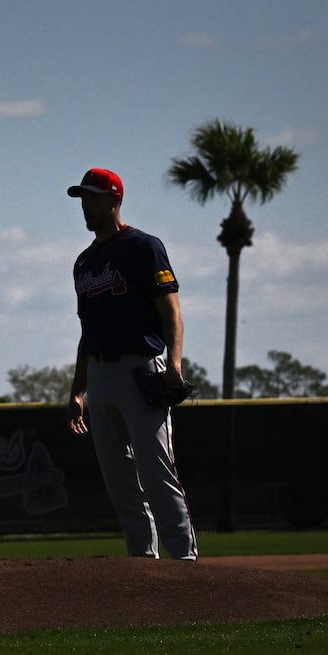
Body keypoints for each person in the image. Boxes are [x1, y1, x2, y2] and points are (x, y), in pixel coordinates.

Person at [65, 167, 197, 561]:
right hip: (101, 376)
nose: (86, 206)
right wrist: (77, 390)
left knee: (157, 473)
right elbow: (87, 332)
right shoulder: (84, 263)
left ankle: (184, 561)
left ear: (114, 199)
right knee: (119, 480)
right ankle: (143, 562)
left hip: (141, 369)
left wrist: (174, 362)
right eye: (83, 199)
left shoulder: (143, 246)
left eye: (92, 197)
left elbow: (171, 310)